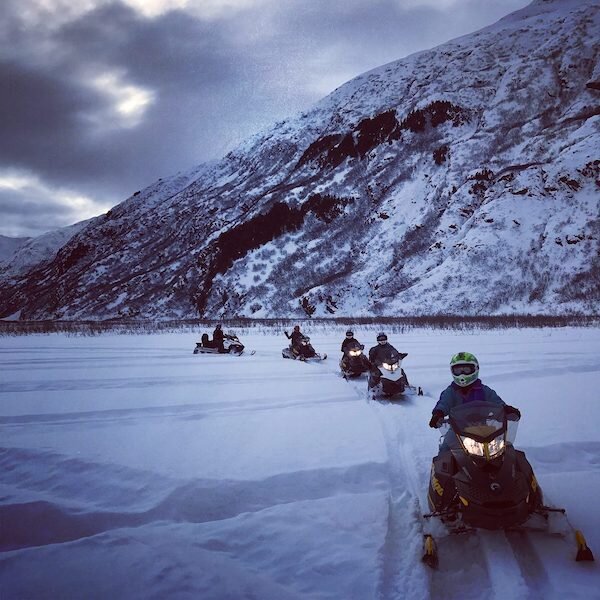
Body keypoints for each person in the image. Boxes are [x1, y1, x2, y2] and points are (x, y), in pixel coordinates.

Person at [428, 352, 520, 451]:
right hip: (457, 430)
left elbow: (496, 402)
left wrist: (506, 409)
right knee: (445, 449)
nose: (462, 374)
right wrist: (438, 413)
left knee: (504, 449)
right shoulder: (451, 391)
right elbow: (444, 403)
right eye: (458, 370)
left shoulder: (484, 390)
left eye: (466, 370)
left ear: (475, 369)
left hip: (483, 429)